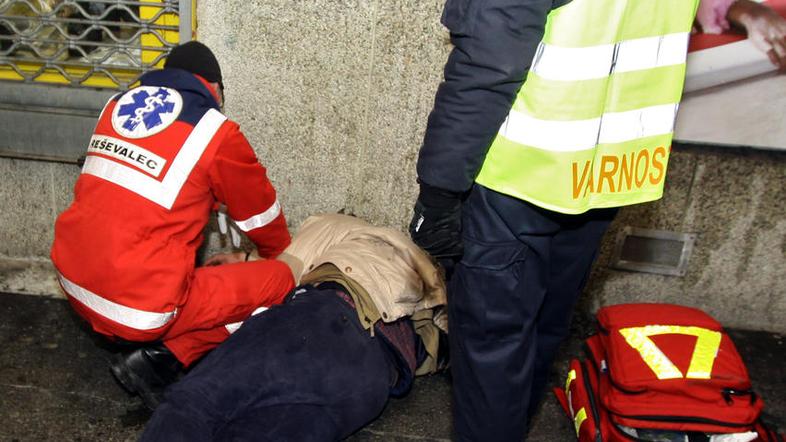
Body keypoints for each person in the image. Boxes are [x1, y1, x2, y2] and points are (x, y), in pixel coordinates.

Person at [408, 1, 702, 440]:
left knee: (494, 348)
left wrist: (440, 191)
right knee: (543, 329)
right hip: (606, 170)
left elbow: (491, 63)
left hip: (519, 175)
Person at [50, 41, 294, 409]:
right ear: (215, 89)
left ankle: (148, 357)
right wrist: (277, 259)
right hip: (139, 308)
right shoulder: (216, 131)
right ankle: (161, 355)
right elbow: (261, 217)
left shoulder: (115, 107)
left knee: (199, 272)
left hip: (74, 285)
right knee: (278, 283)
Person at [138, 213, 448, 441]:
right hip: (373, 382)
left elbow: (282, 275)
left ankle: (154, 356)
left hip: (325, 323)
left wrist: (246, 261)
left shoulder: (338, 226)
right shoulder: (426, 281)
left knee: (196, 403)